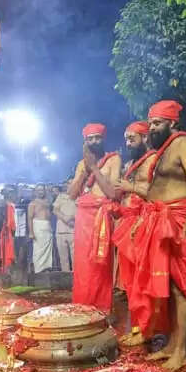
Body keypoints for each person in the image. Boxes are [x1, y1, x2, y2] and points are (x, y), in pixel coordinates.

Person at [131, 100, 186, 371]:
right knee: (168, 287)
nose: (152, 127)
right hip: (158, 220)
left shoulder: (185, 145)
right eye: (150, 122)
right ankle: (172, 345)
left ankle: (181, 351)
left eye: (157, 123)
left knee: (180, 287)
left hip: (177, 221)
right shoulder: (163, 151)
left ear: (172, 123)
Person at [67, 123, 121, 312]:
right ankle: (82, 308)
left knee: (100, 265)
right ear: (85, 142)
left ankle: (101, 310)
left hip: (101, 216)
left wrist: (95, 169)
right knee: (83, 265)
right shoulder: (81, 164)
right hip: (83, 218)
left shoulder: (113, 160)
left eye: (98, 138)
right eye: (90, 139)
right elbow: (72, 194)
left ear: (103, 139)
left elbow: (112, 193)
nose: (94, 142)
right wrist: (85, 171)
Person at [113, 120, 157, 345]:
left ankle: (147, 329)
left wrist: (130, 188)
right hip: (127, 223)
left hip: (144, 224)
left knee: (142, 280)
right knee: (130, 282)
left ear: (145, 137)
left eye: (132, 139)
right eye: (126, 139)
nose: (128, 143)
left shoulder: (154, 159)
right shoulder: (131, 163)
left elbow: (158, 193)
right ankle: (138, 326)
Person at [28, 185, 53, 273]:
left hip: (47, 226)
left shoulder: (48, 202)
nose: (40, 192)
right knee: (38, 250)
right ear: (35, 192)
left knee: (48, 250)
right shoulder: (33, 203)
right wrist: (31, 232)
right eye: (38, 190)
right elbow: (30, 218)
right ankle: (38, 270)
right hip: (38, 226)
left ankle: (46, 268)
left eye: (42, 190)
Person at [52, 179, 76, 272]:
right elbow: (55, 210)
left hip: (74, 231)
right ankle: (65, 277)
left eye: (72, 183)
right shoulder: (61, 196)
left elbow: (81, 211)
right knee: (63, 258)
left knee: (75, 258)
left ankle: (76, 277)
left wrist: (72, 217)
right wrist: (65, 218)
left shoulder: (79, 196)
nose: (69, 185)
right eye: (68, 183)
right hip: (61, 231)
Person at [0, 189, 16, 271]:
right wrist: (11, 229)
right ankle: (6, 268)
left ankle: (7, 268)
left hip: (9, 230)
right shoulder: (7, 205)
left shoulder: (10, 205)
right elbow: (10, 220)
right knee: (7, 249)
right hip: (7, 230)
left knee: (9, 249)